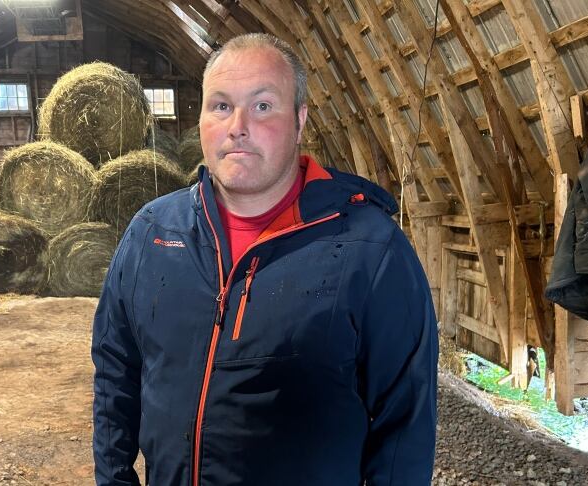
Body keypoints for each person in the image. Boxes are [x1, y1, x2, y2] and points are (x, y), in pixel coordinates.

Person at [92, 33, 438, 486]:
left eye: (262, 107)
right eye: (220, 106)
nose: (237, 126)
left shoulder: (370, 251)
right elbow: (116, 369)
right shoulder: (153, 233)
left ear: (299, 120)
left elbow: (405, 425)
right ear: (200, 122)